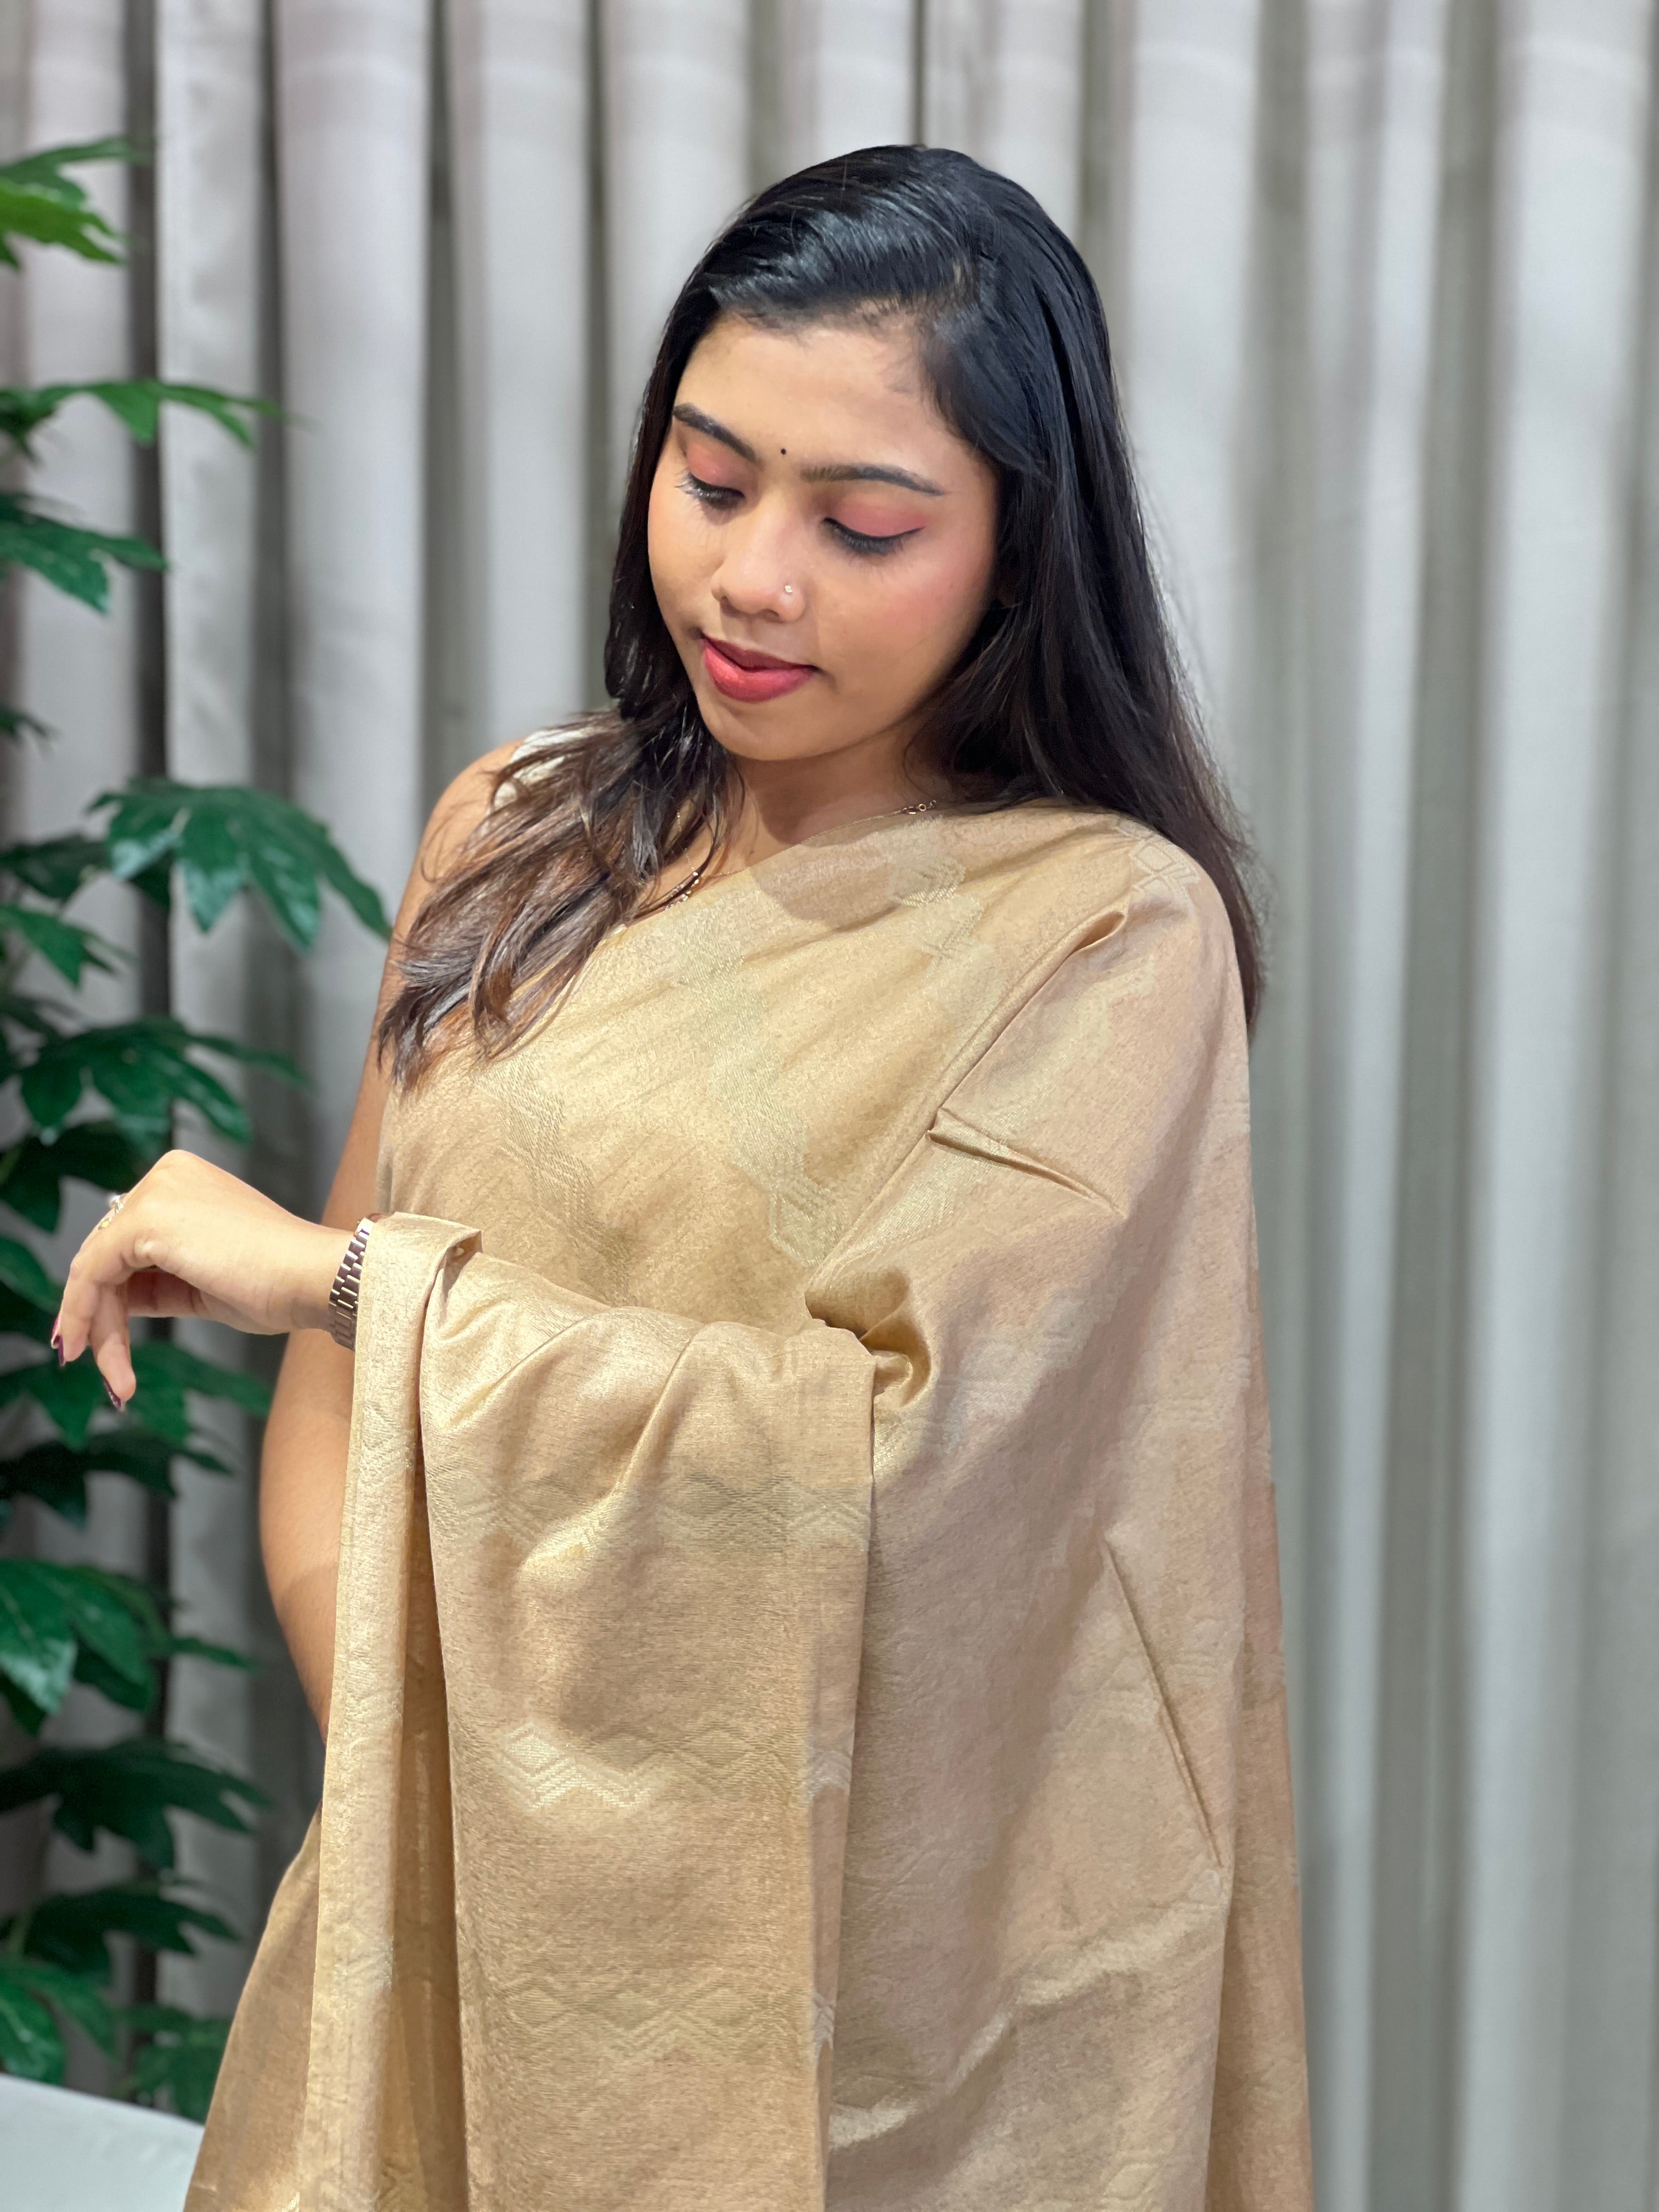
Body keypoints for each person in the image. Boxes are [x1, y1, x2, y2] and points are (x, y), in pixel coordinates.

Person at [53, 145, 1312, 2209]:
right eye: (711, 481)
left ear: (1018, 546)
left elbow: (914, 1472)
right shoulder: (516, 833)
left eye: (863, 525)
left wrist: (339, 1280)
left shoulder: (1104, 933)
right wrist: (442, 1784)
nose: (752, 579)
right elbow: (341, 1425)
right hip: (440, 1917)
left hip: (859, 2027)